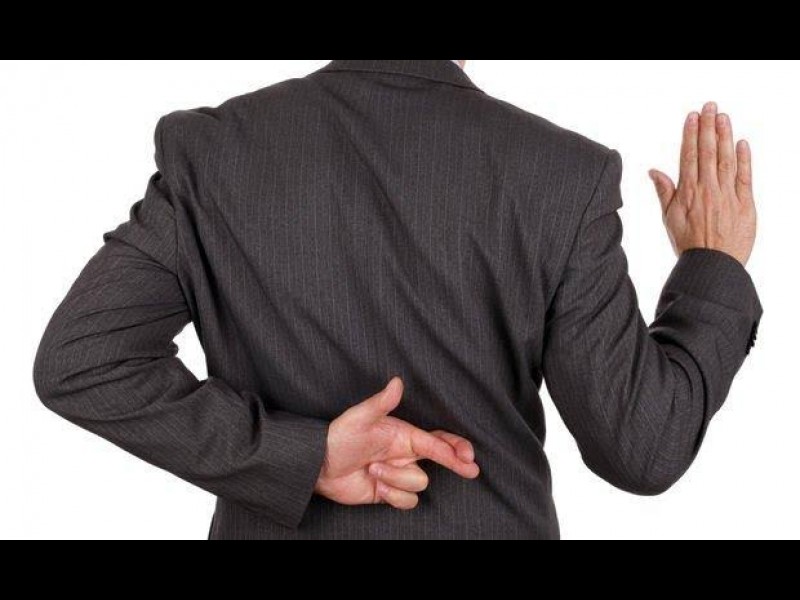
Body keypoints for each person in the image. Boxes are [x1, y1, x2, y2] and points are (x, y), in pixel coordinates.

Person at [33, 60, 762, 540]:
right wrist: (712, 268)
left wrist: (303, 456)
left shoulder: (214, 152)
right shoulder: (561, 176)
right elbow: (642, 447)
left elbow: (85, 361)